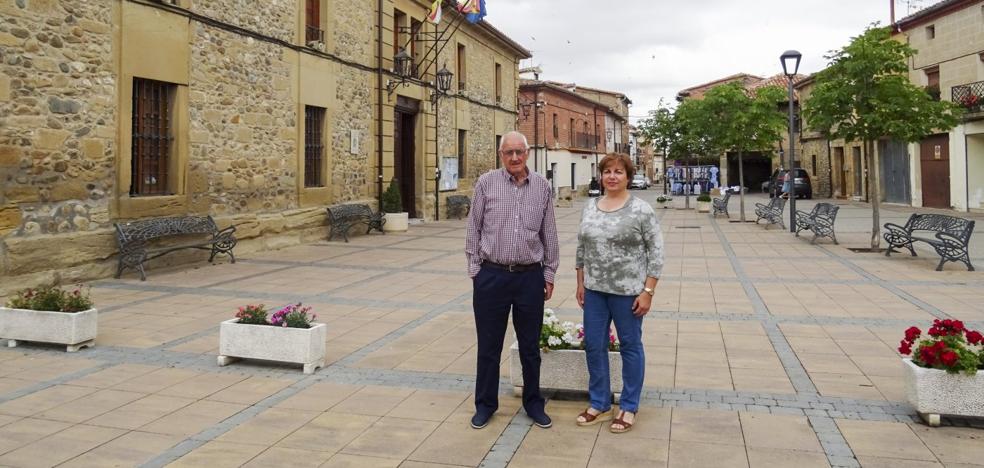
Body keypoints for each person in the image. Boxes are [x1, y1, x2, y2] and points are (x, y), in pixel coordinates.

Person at [465, 131, 559, 430]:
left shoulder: (542, 187)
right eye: (509, 153)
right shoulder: (486, 183)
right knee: (489, 346)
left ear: (528, 153)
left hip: (529, 277)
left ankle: (533, 403)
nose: (515, 157)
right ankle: (485, 405)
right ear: (501, 155)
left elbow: (550, 234)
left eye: (519, 152)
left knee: (530, 346)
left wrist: (549, 272)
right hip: (491, 275)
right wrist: (475, 271)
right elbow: (473, 228)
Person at [574, 153, 663, 434]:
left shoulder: (641, 210)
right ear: (601, 176)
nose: (612, 176)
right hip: (594, 291)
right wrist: (580, 283)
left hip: (628, 292)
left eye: (618, 172)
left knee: (630, 346)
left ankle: (628, 406)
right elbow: (581, 249)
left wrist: (648, 291)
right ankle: (599, 403)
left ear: (628, 177)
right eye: (607, 171)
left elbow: (656, 253)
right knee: (594, 346)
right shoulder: (589, 207)